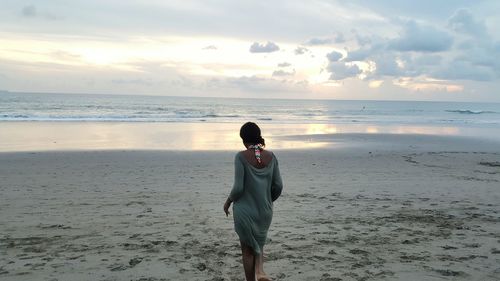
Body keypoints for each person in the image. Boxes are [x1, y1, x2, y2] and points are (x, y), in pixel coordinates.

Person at [224, 122, 283, 281]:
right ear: (258, 136)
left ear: (243, 139)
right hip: (264, 211)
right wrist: (268, 200)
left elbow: (238, 188)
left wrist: (228, 201)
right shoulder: (271, 156)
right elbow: (278, 186)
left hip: (245, 211)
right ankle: (260, 272)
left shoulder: (240, 157)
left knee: (247, 250)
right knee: (259, 244)